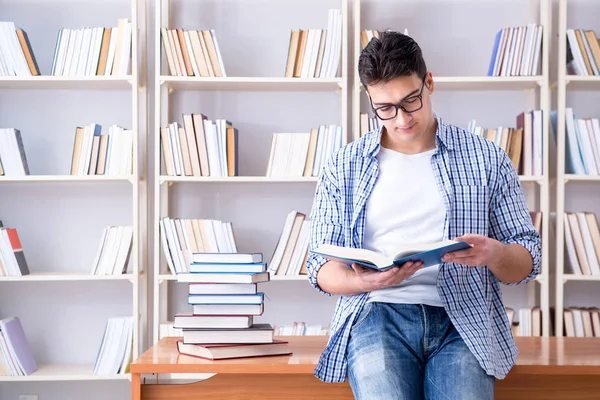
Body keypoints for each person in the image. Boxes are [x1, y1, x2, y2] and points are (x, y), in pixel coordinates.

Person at [305, 30, 541, 400]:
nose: (400, 119)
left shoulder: (486, 158)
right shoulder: (344, 165)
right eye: (385, 108)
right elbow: (320, 268)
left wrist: (494, 254)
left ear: (428, 83)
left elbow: (527, 261)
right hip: (377, 315)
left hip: (464, 320)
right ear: (370, 100)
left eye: (410, 101)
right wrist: (366, 283)